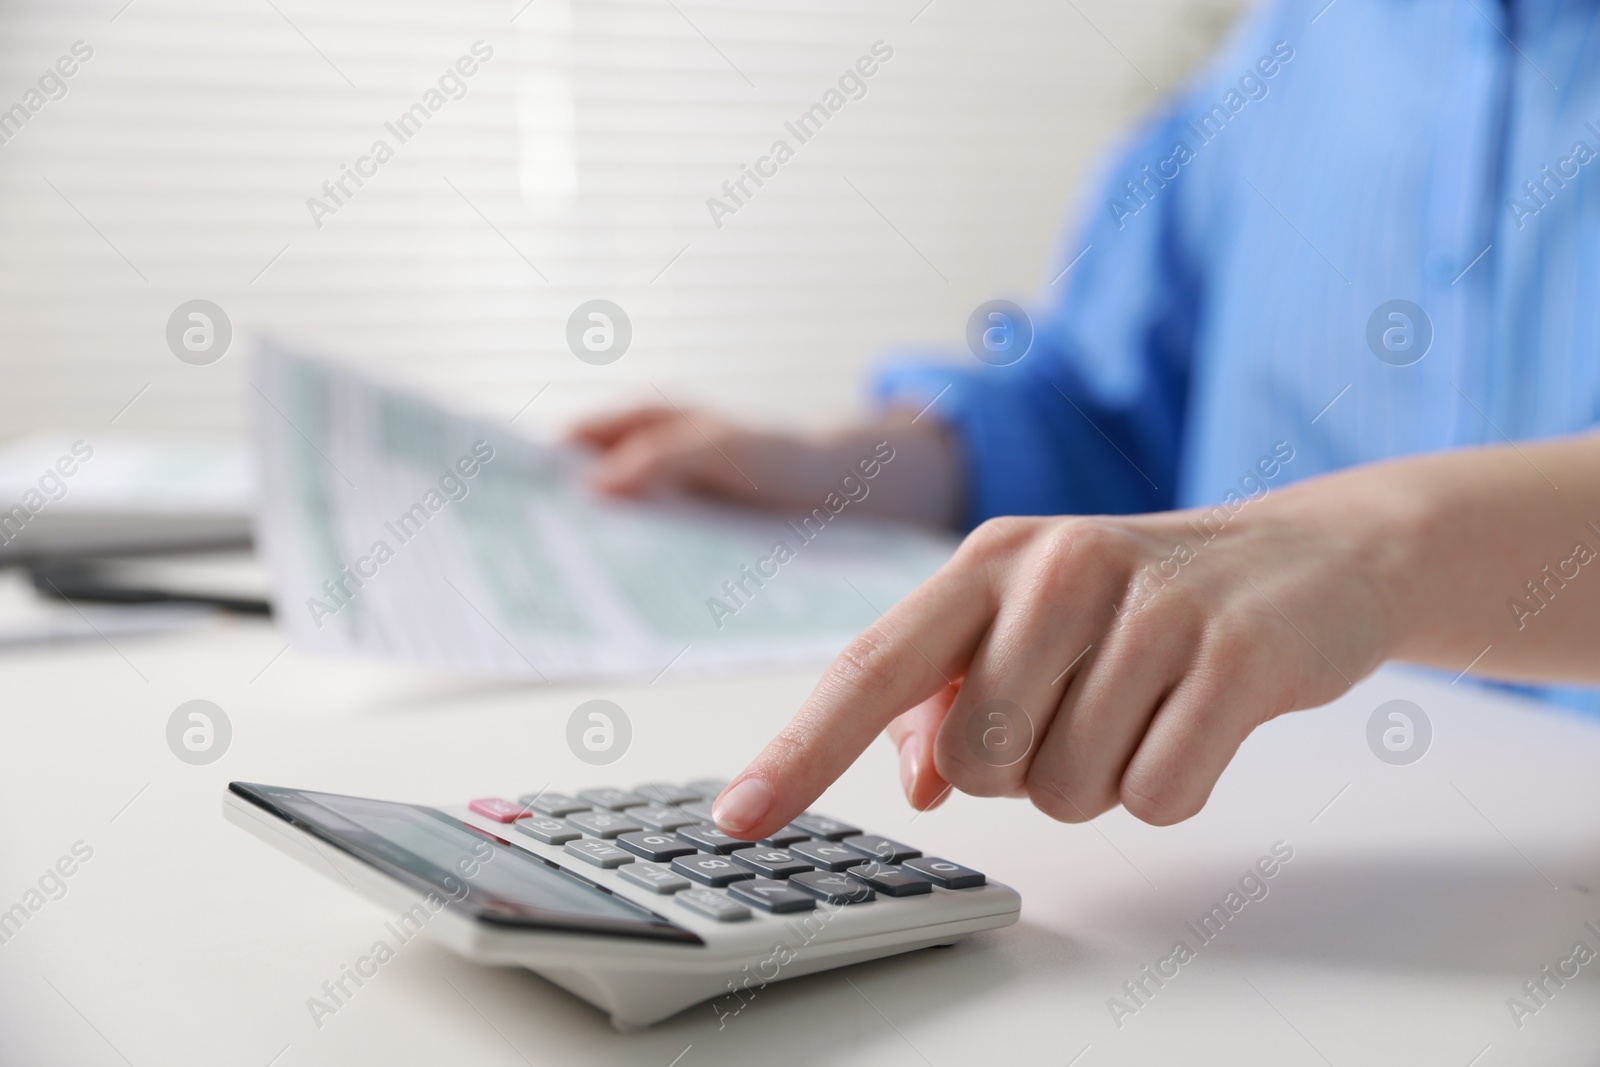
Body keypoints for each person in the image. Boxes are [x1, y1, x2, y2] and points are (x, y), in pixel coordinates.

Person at [572, 0, 1600, 841]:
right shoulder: (1291, 45)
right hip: (1286, 876)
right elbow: (1111, 400)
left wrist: (1379, 551)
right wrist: (858, 464)